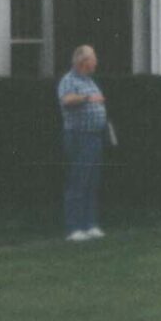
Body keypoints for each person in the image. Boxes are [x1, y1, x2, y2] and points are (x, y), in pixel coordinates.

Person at [56, 44, 107, 241]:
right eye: (93, 58)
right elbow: (67, 100)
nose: (96, 62)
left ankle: (90, 224)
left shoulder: (90, 81)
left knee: (92, 182)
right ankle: (74, 228)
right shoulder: (69, 80)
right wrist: (88, 98)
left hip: (94, 136)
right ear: (83, 61)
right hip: (79, 136)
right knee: (78, 180)